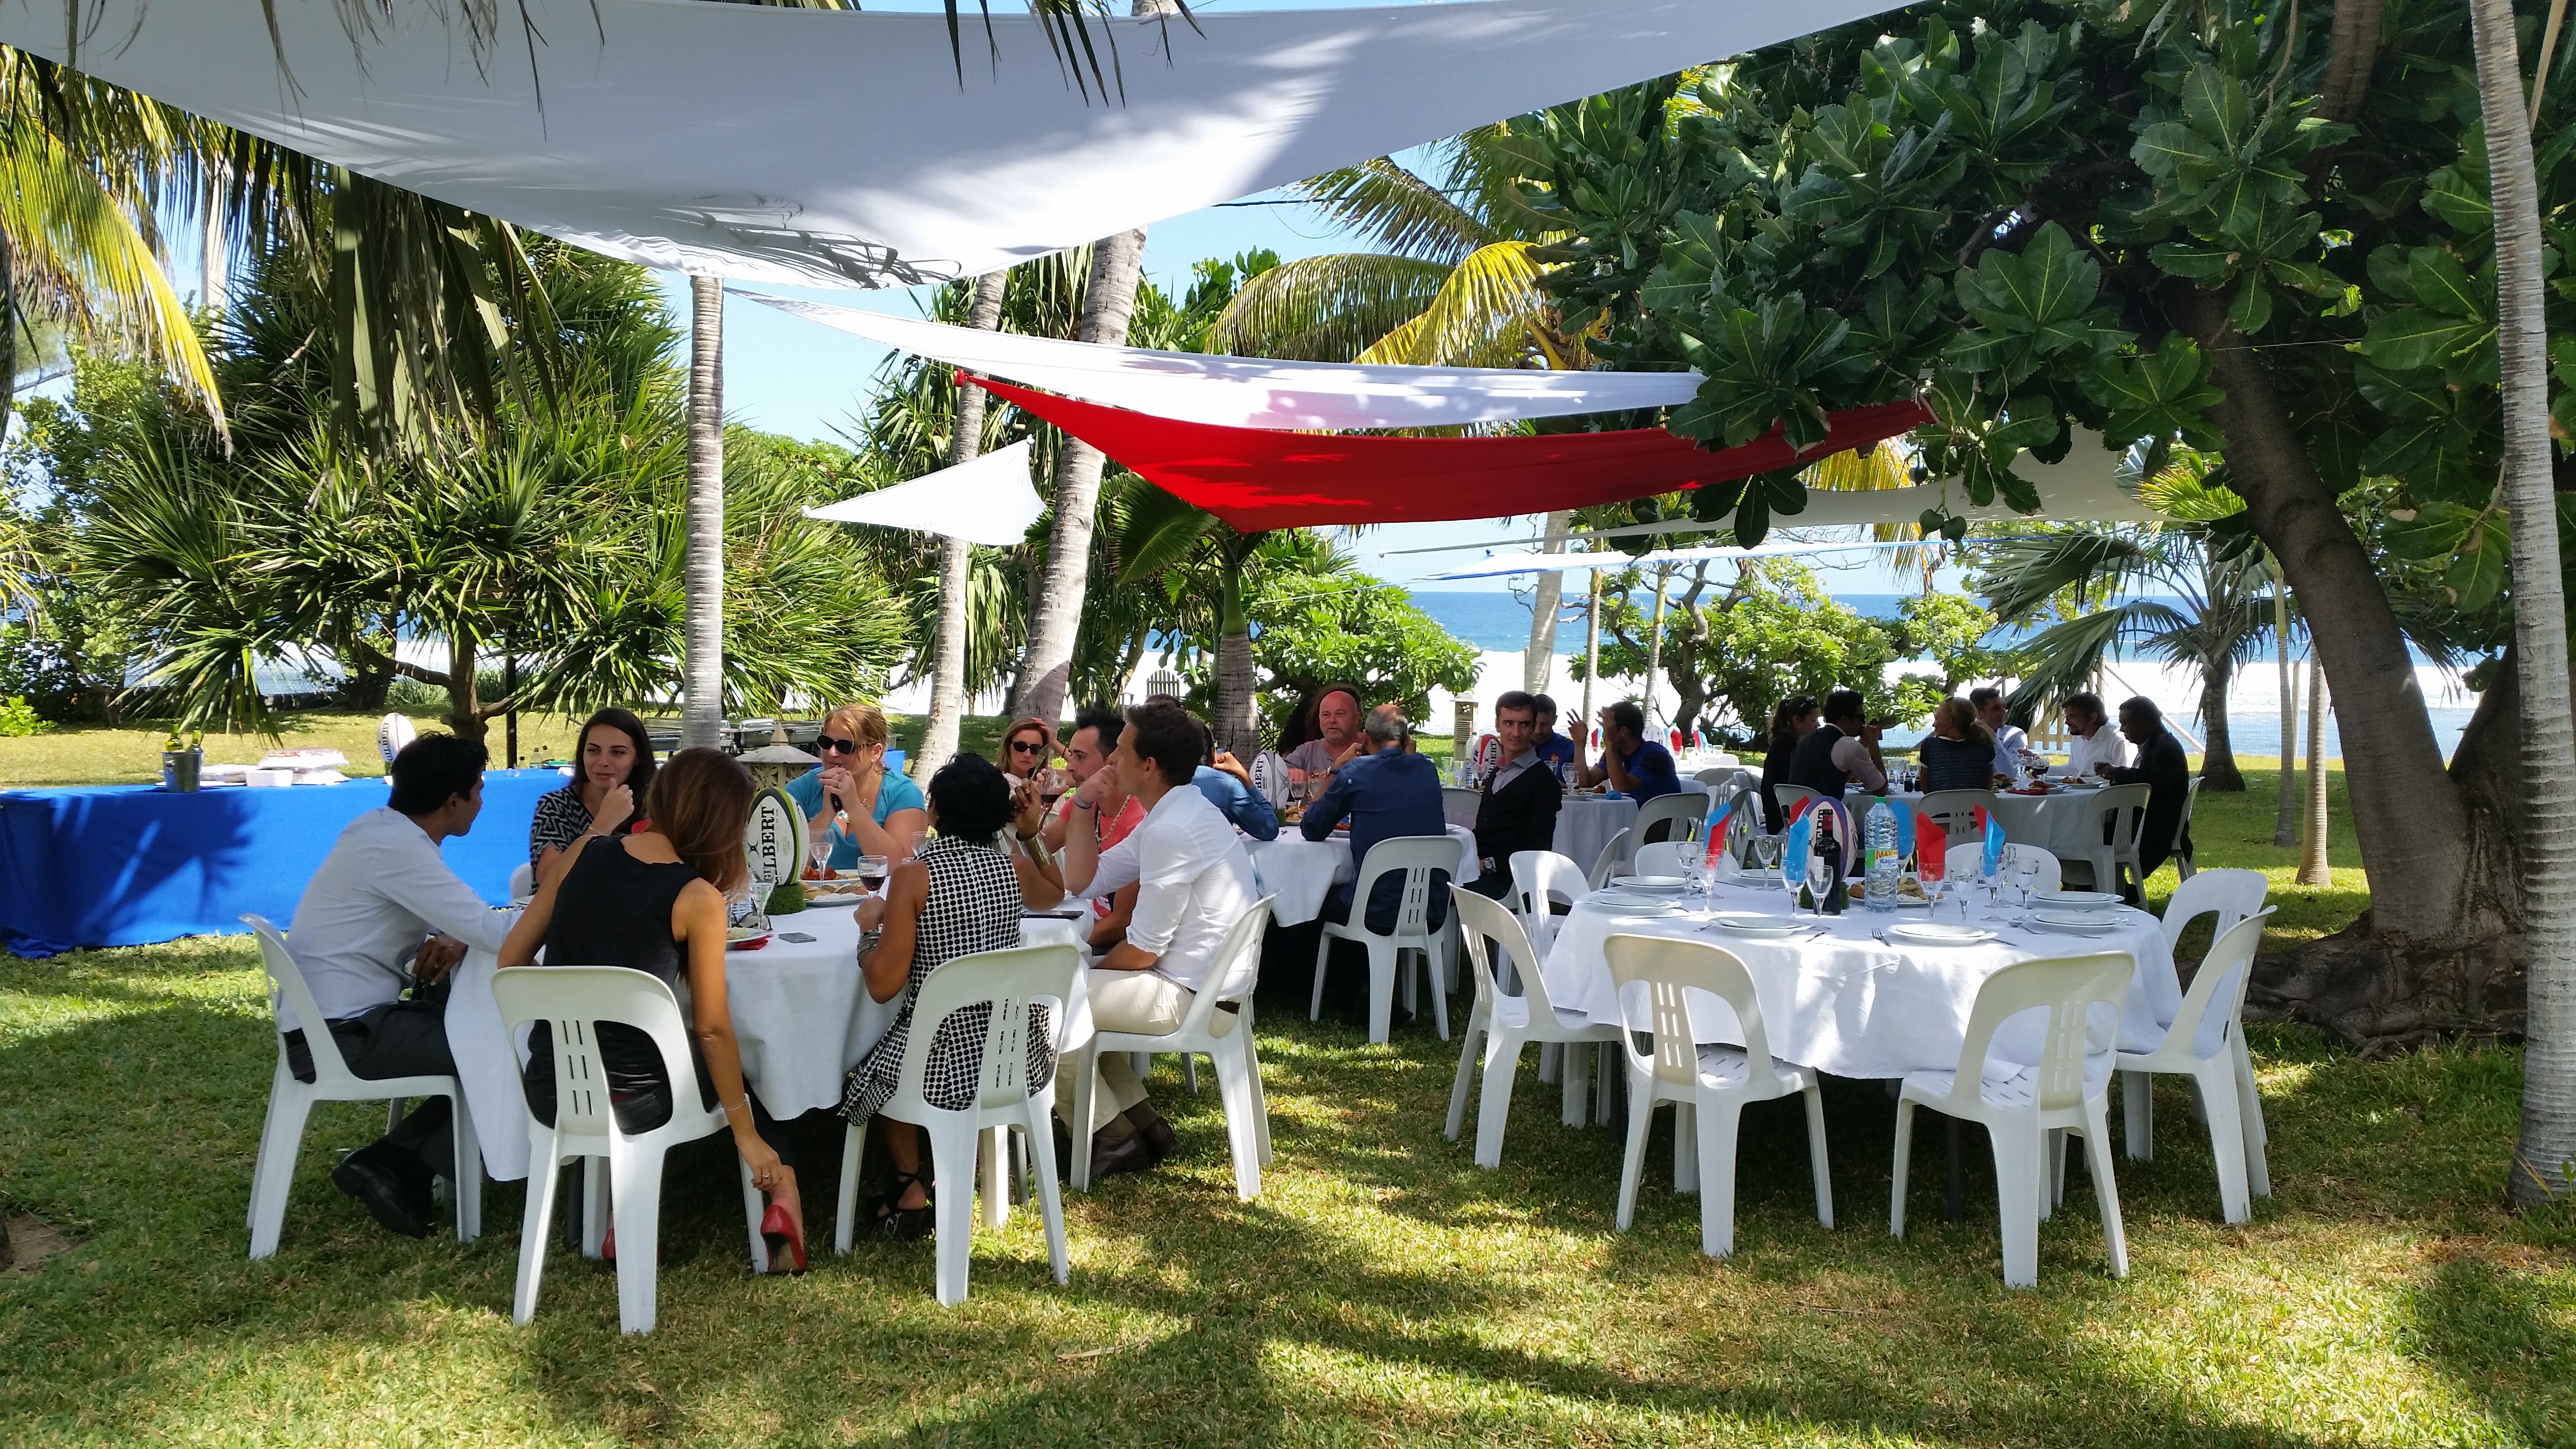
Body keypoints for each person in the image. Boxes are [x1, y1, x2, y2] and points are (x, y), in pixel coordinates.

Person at [499, 747, 810, 1268]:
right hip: (638, 1099)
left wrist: (568, 1004)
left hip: (552, 1087)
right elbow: (712, 1029)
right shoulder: (696, 897)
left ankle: (624, 1219)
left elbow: (511, 960)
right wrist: (745, 1134)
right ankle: (784, 1194)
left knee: (686, 1054)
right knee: (740, 1066)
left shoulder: (583, 853)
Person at [284, 733, 510, 1239]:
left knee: (497, 1037)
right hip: (345, 1036)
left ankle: (397, 1161)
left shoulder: (378, 830)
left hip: (334, 1024)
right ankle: (401, 1162)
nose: (482, 800)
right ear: (453, 801)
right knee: (516, 1047)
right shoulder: (398, 849)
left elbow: (458, 922)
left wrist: (453, 935)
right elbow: (493, 932)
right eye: (479, 789)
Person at [838, 753, 1071, 1237]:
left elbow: (883, 985)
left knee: (876, 1065)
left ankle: (909, 1183)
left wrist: (868, 931)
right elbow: (1055, 892)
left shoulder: (915, 876)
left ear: (935, 812)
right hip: (1012, 1053)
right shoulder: (1013, 868)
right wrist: (1031, 834)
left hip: (939, 1055)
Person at [1058, 701, 1261, 1175]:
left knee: (1044, 1003)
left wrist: (1086, 971)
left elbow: (1143, 951)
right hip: (1206, 990)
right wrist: (1083, 805)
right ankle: (1141, 1125)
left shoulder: (1171, 828)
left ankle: (1109, 1136)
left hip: (1192, 998)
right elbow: (1087, 880)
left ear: (1148, 766)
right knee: (1069, 995)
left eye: (1120, 750)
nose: (1111, 760)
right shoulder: (1177, 811)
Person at [1302, 705, 1449, 933]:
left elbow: (1312, 828)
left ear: (1366, 738)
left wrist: (1336, 769)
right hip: (1430, 910)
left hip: (1374, 911)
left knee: (1308, 897)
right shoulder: (1428, 770)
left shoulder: (1355, 772)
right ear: (1406, 740)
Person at [1041, 706, 1144, 953]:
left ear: (1113, 761)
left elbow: (1121, 922)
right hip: (1081, 924)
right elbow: (1036, 855)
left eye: (1080, 757)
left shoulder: (1138, 822)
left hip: (1110, 948)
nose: (1070, 766)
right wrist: (1035, 818)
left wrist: (1061, 945)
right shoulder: (1086, 803)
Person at [787, 702, 930, 870]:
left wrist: (853, 806)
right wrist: (826, 814)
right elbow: (785, 865)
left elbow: (899, 869)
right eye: (826, 743)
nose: (832, 752)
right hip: (814, 888)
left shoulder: (903, 794)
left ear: (875, 752)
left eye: (845, 746)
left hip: (878, 888)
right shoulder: (802, 789)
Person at [527, 707, 657, 885]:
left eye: (618, 752)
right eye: (593, 751)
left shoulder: (655, 808)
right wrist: (603, 825)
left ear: (637, 758)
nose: (603, 762)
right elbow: (549, 880)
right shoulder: (556, 805)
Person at [1466, 690, 1563, 898]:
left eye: (1524, 724)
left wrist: (1488, 865)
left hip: (1510, 884)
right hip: (1478, 872)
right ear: (1498, 725)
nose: (1516, 733)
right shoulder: (1497, 771)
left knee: (1436, 895)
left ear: (1534, 726)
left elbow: (1538, 849)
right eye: (1509, 723)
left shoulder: (1543, 781)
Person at [2105, 696, 2194, 900]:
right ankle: (2111, 888)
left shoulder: (2165, 749)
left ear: (2144, 722)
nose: (2122, 729)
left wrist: (2119, 773)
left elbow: (2156, 784)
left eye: (2125, 723)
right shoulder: (2156, 744)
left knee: (2094, 834)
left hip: (2157, 827)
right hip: (2150, 820)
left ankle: (2106, 889)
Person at [1786, 689, 1889, 799]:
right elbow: (1881, 790)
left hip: (1798, 809)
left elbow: (1832, 778)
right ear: (1844, 720)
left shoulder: (1807, 740)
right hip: (1826, 810)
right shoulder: (1849, 746)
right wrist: (1873, 744)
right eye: (1862, 718)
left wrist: (1862, 744)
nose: (1864, 723)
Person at [1576, 699, 1682, 802]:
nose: (1604, 734)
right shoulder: (1616, 753)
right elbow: (1586, 783)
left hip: (1661, 814)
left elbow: (1622, 788)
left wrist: (1610, 744)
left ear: (1623, 731)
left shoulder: (1656, 756)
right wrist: (1579, 743)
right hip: (1632, 813)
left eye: (1608, 728)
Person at [1758, 694, 1820, 831]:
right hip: (1783, 821)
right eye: (1813, 720)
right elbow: (1792, 783)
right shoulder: (1787, 747)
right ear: (1797, 720)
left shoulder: (1786, 742)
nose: (1818, 724)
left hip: (1778, 818)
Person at [1916, 697, 1999, 792]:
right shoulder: (1984, 745)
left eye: (1936, 719)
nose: (1934, 725)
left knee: (1901, 805)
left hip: (1940, 803)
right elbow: (1987, 788)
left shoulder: (1930, 746)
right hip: (1976, 802)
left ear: (1949, 722)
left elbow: (1926, 789)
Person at [1284, 684, 1366, 776]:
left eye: (1340, 714)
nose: (1332, 720)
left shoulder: (1372, 746)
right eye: (1326, 715)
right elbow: (1277, 773)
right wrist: (1293, 773)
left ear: (1356, 718)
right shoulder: (1306, 752)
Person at [2060, 692, 2135, 777]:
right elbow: (2073, 769)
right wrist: (2046, 768)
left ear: (2093, 718)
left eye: (2072, 717)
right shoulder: (2078, 738)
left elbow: (2125, 779)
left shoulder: (2117, 740)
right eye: (2066, 717)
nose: (2067, 722)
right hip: (2082, 786)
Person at [1972, 686, 2033, 782]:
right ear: (1979, 713)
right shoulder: (1966, 736)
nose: (2004, 713)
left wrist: (1992, 737)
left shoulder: (2015, 735)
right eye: (1996, 709)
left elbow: (2010, 774)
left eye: (2004, 707)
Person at [1530, 693, 1578, 780]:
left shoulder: (1568, 747)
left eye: (1545, 724)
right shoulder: (1517, 745)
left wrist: (1580, 744)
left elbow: (1580, 783)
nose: (1538, 731)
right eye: (1535, 723)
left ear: (1554, 720)